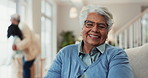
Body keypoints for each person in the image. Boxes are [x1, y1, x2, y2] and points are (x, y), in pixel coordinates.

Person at [44, 5, 134, 78]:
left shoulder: (117, 55)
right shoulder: (64, 53)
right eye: (89, 24)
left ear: (107, 32)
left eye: (101, 26)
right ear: (82, 27)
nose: (95, 29)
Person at [7, 13, 41, 78]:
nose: (10, 21)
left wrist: (17, 46)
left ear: (14, 19)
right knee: (25, 67)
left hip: (32, 50)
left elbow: (27, 40)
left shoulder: (22, 26)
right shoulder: (18, 27)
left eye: (11, 20)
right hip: (27, 52)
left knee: (25, 67)